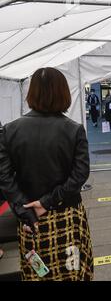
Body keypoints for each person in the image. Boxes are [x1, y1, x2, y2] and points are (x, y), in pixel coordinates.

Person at [0, 67, 93, 281]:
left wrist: (26, 209)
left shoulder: (10, 130)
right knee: (73, 270)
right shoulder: (74, 129)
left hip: (30, 219)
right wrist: (48, 202)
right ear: (63, 93)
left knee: (37, 274)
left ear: (31, 93)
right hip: (67, 216)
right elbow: (80, 175)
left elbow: (4, 178)